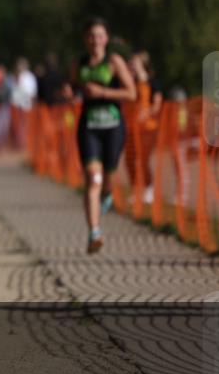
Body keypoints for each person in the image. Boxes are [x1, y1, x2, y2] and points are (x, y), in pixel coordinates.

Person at [70, 18, 136, 254]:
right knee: (92, 178)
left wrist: (103, 92)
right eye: (90, 35)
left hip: (113, 126)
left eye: (99, 35)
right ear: (85, 39)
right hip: (89, 126)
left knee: (108, 179)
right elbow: (72, 86)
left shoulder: (113, 62)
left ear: (106, 39)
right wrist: (70, 91)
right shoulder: (79, 63)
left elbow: (132, 93)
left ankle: (106, 196)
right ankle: (94, 232)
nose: (94, 40)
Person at [126, 50, 163, 205]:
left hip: (148, 128)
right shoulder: (129, 82)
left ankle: (149, 189)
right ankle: (136, 190)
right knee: (129, 160)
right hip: (131, 127)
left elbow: (157, 104)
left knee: (143, 159)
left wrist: (146, 112)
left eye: (134, 62)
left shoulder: (152, 82)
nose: (131, 65)